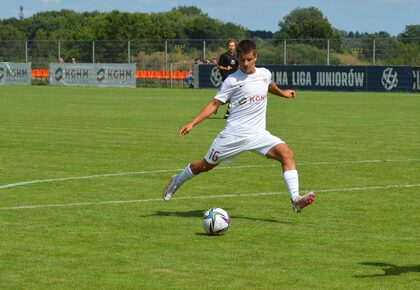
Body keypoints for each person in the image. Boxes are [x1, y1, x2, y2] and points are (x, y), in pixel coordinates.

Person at [163, 39, 315, 213]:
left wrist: (283, 94)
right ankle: (177, 180)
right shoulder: (232, 80)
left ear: (256, 57)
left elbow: (268, 85)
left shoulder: (264, 73)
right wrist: (192, 123)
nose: (246, 64)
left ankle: (295, 199)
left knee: (286, 154)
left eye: (249, 59)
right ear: (238, 58)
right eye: (242, 60)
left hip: (258, 134)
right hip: (232, 136)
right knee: (205, 166)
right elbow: (214, 104)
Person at [218, 38, 239, 118]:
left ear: (235, 46)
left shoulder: (237, 56)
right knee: (223, 97)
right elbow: (219, 66)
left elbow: (238, 66)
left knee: (234, 96)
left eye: (233, 46)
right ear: (227, 46)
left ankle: (228, 113)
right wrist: (226, 68)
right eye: (230, 46)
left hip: (234, 79)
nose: (231, 47)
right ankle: (216, 105)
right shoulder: (224, 56)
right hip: (226, 79)